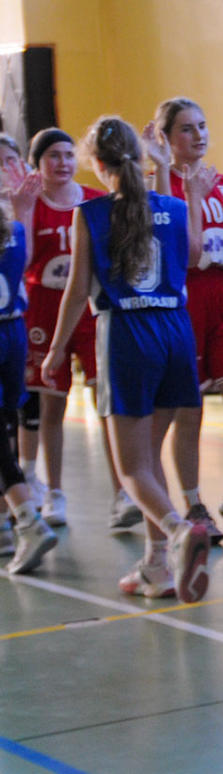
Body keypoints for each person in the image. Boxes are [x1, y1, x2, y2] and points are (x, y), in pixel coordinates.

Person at [44, 117, 213, 600]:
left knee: (132, 469)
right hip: (175, 333)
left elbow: (77, 290)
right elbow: (193, 257)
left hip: (127, 334)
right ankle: (156, 565)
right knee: (149, 458)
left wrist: (56, 349)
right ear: (140, 158)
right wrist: (167, 175)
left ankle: (180, 533)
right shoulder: (172, 207)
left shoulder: (91, 213)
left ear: (98, 164)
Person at [150, 98, 223, 545]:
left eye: (202, 125)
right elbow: (180, 253)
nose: (198, 135)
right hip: (185, 300)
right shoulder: (161, 186)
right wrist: (191, 195)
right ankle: (194, 503)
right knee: (190, 413)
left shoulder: (222, 182)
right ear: (165, 138)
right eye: (186, 128)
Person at [11, 128, 126, 531]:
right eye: (53, 156)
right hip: (45, 307)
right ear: (37, 164)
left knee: (106, 401)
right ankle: (54, 492)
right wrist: (23, 210)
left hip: (91, 309)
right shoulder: (29, 202)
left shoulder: (97, 202)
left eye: (67, 154)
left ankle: (123, 492)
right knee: (51, 404)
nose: (62, 162)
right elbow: (24, 262)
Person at [0, 162, 52, 574]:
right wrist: (22, 208)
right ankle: (7, 523)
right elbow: (28, 259)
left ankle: (27, 519)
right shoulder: (14, 230)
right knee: (6, 428)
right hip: (14, 332)